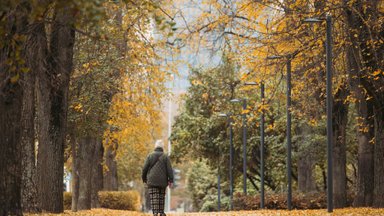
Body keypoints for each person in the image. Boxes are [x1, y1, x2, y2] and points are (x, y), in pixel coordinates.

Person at [142, 140, 174, 216]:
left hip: (152, 180)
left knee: (154, 197)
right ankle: (161, 212)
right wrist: (171, 180)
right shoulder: (165, 157)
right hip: (163, 181)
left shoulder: (150, 155)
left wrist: (144, 178)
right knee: (161, 196)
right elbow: (170, 169)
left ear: (155, 146)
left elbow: (144, 169)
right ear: (162, 147)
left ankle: (155, 213)